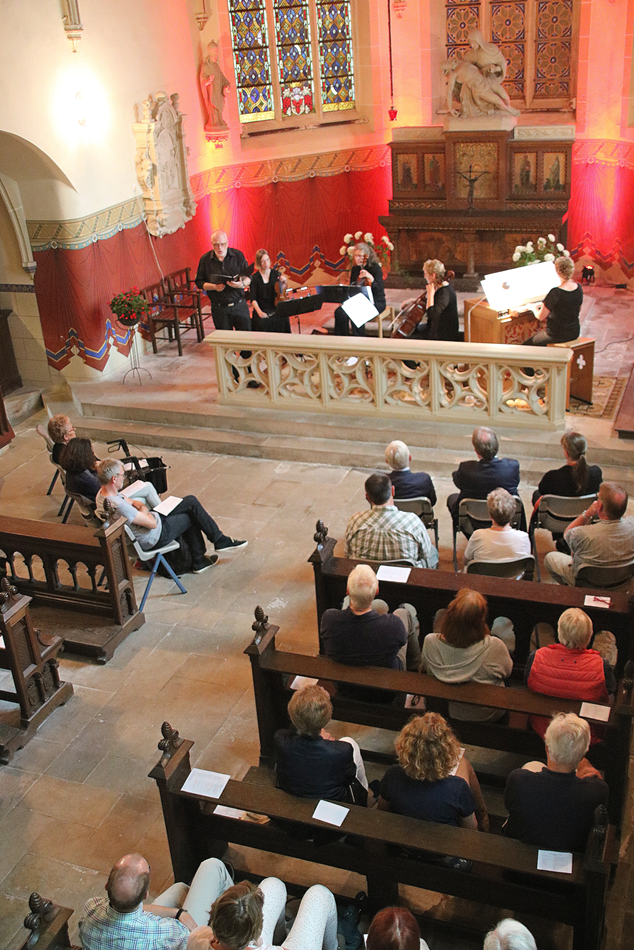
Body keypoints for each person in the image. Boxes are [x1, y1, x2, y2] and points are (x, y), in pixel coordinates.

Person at [95, 458, 246, 574]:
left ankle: (210, 549)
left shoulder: (102, 496)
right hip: (153, 536)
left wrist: (143, 510)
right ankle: (205, 554)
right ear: (114, 479)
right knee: (190, 514)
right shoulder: (119, 506)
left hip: (149, 524)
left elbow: (136, 504)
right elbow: (151, 523)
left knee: (190, 502)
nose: (124, 478)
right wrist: (144, 511)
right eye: (123, 475)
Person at [79, 852, 232, 950]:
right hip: (182, 938)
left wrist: (177, 912)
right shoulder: (160, 933)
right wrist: (180, 916)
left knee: (180, 889)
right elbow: (188, 932)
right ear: (146, 895)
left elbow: (127, 911)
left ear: (106, 886)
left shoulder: (91, 908)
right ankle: (237, 920)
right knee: (213, 866)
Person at [504, 712, 609, 852]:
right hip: (571, 854)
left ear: (547, 747)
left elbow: (510, 806)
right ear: (583, 754)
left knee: (531, 765)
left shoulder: (518, 779)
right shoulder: (598, 790)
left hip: (521, 851)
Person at [378, 713, 488, 834]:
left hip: (404, 844)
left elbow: (382, 813)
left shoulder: (393, 775)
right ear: (446, 750)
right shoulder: (457, 788)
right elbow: (470, 829)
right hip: (443, 848)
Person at [320, 563, 422, 687]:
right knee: (403, 613)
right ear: (377, 591)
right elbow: (400, 642)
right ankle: (415, 669)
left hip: (345, 686)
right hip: (387, 688)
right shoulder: (393, 625)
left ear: (347, 591)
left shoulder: (329, 619)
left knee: (381, 608)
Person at [421, 589, 513, 722]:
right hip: (487, 713)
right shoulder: (495, 646)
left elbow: (425, 667)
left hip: (446, 711)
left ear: (450, 615)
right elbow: (507, 672)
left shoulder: (430, 642)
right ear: (481, 619)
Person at [526, 607, 615, 740]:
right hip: (582, 734)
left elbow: (527, 683)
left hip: (545, 727)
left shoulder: (536, 657)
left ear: (559, 632)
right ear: (589, 635)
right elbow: (610, 692)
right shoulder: (601, 666)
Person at [274, 684, 369, 804]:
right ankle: (364, 796)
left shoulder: (280, 739)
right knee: (351, 742)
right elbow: (348, 776)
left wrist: (318, 739)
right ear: (327, 718)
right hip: (331, 803)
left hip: (294, 791)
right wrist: (322, 741)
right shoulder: (343, 750)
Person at [188, 878, 338, 950]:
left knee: (273, 884)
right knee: (319, 894)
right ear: (256, 931)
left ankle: (280, 936)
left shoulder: (197, 937)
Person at [544, 481, 634, 586]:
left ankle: (570, 589)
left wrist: (587, 514)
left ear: (599, 506)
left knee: (550, 558)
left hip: (586, 583)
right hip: (620, 583)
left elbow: (567, 534)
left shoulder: (582, 534)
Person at [345, 473, 438, 569]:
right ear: (393, 491)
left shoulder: (355, 521)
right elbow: (426, 554)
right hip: (406, 578)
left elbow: (347, 555)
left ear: (367, 497)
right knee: (433, 552)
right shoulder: (412, 522)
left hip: (368, 578)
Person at [447, 427, 522, 526]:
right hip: (504, 516)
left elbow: (458, 481)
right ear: (497, 446)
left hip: (474, 519)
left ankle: (472, 534)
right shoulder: (511, 467)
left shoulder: (466, 470)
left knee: (452, 499)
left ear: (477, 451)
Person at [195, 230, 252, 332]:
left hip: (239, 304)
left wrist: (241, 284)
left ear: (227, 243)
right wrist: (214, 287)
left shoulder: (237, 255)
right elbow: (199, 282)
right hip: (219, 308)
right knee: (225, 342)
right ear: (212, 244)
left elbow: (249, 277)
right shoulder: (205, 260)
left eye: (222, 244)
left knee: (245, 339)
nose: (220, 248)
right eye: (216, 245)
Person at [531, 430, 602, 506]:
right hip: (585, 515)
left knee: (537, 494)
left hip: (557, 516)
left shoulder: (552, 477)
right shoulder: (596, 473)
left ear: (566, 453)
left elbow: (542, 490)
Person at [463, 488, 530, 567]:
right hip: (512, 578)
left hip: (484, 578)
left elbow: (466, 560)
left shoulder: (478, 536)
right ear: (513, 514)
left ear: (490, 515)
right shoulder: (523, 538)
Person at [523, 256, 582, 346]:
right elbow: (577, 309)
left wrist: (532, 307)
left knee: (526, 346)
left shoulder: (556, 292)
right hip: (574, 332)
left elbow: (540, 316)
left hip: (556, 334)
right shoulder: (578, 288)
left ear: (557, 271)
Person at [334, 242, 386, 337]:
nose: (357, 258)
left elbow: (379, 288)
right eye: (356, 255)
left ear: (366, 256)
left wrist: (370, 278)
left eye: (360, 256)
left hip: (376, 301)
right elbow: (353, 288)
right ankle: (341, 341)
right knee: (339, 312)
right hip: (358, 301)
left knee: (356, 314)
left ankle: (359, 341)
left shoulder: (375, 268)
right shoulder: (355, 269)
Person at [411, 259, 459, 342]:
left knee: (408, 340)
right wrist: (411, 301)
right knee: (414, 330)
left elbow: (432, 315)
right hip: (436, 328)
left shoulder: (444, 293)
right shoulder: (439, 287)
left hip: (443, 334)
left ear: (433, 275)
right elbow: (429, 303)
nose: (424, 276)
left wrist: (430, 295)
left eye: (425, 273)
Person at [249, 248, 290, 333]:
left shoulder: (276, 274)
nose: (266, 263)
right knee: (262, 323)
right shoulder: (255, 278)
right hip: (261, 308)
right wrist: (260, 313)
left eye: (267, 260)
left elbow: (282, 292)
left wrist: (284, 281)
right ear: (259, 263)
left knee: (284, 318)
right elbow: (253, 300)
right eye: (263, 261)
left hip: (275, 307)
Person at [385, 440, 436, 506]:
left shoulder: (381, 483)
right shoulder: (424, 479)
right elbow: (432, 501)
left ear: (387, 461)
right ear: (410, 458)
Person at [199, 40, 230, 130]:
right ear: (210, 54)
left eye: (216, 55)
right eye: (214, 55)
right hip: (211, 92)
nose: (216, 57)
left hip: (218, 91)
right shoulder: (205, 66)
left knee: (219, 107)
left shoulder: (216, 66)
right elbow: (203, 79)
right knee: (213, 108)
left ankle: (219, 120)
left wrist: (227, 85)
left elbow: (222, 77)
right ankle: (214, 121)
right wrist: (208, 80)